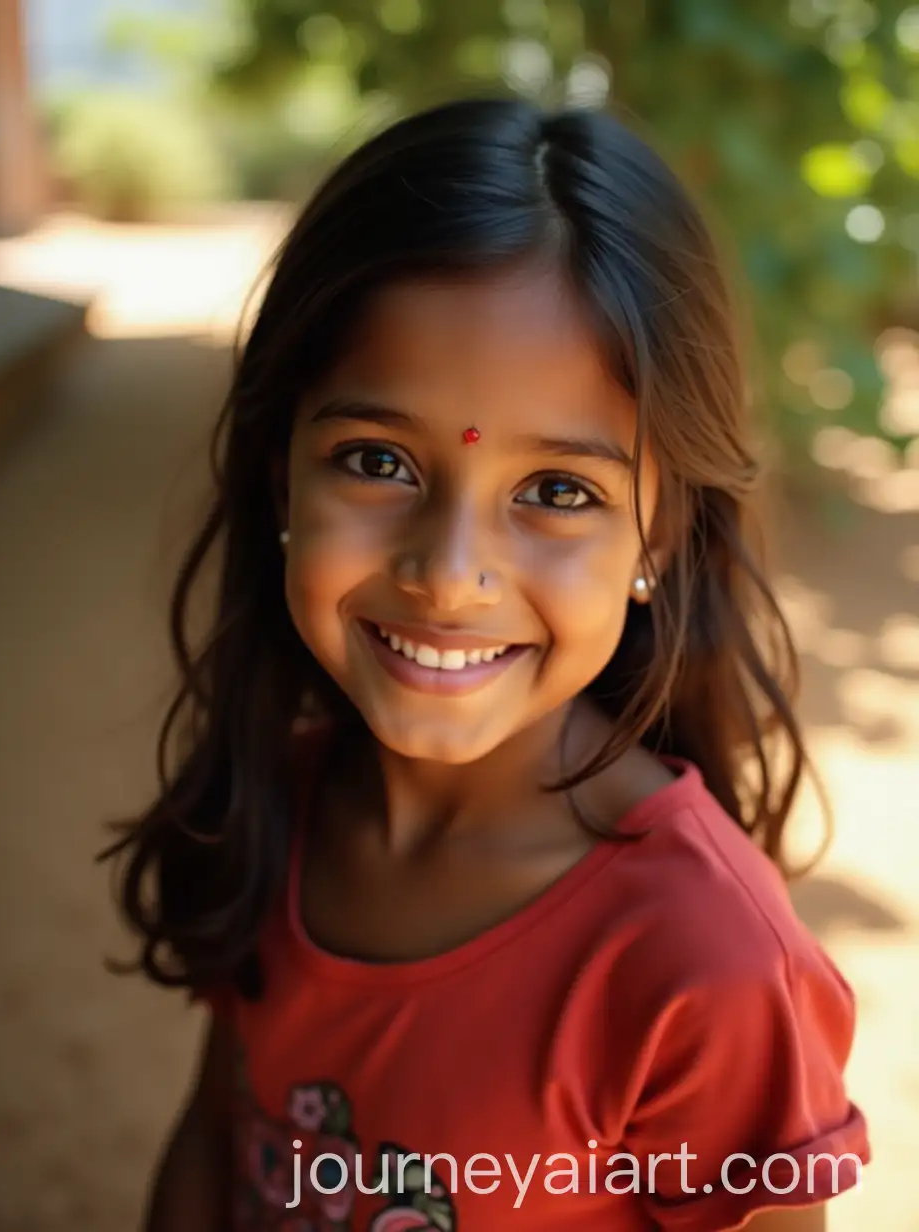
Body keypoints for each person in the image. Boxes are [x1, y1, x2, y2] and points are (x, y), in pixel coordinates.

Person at [101, 97, 870, 1231]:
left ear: (655, 539)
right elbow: (217, 1135)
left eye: (558, 491)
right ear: (281, 479)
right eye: (376, 460)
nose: (449, 573)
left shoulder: (702, 967)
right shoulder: (278, 805)